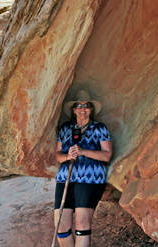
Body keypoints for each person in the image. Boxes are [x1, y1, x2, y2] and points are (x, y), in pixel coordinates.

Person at [54, 90, 113, 247]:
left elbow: (107, 155)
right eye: (78, 105)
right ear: (73, 110)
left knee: (81, 224)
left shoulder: (99, 128)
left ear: (91, 109)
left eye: (86, 105)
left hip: (90, 177)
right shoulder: (66, 128)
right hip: (66, 177)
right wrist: (68, 156)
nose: (82, 108)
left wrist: (83, 152)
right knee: (60, 224)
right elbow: (58, 154)